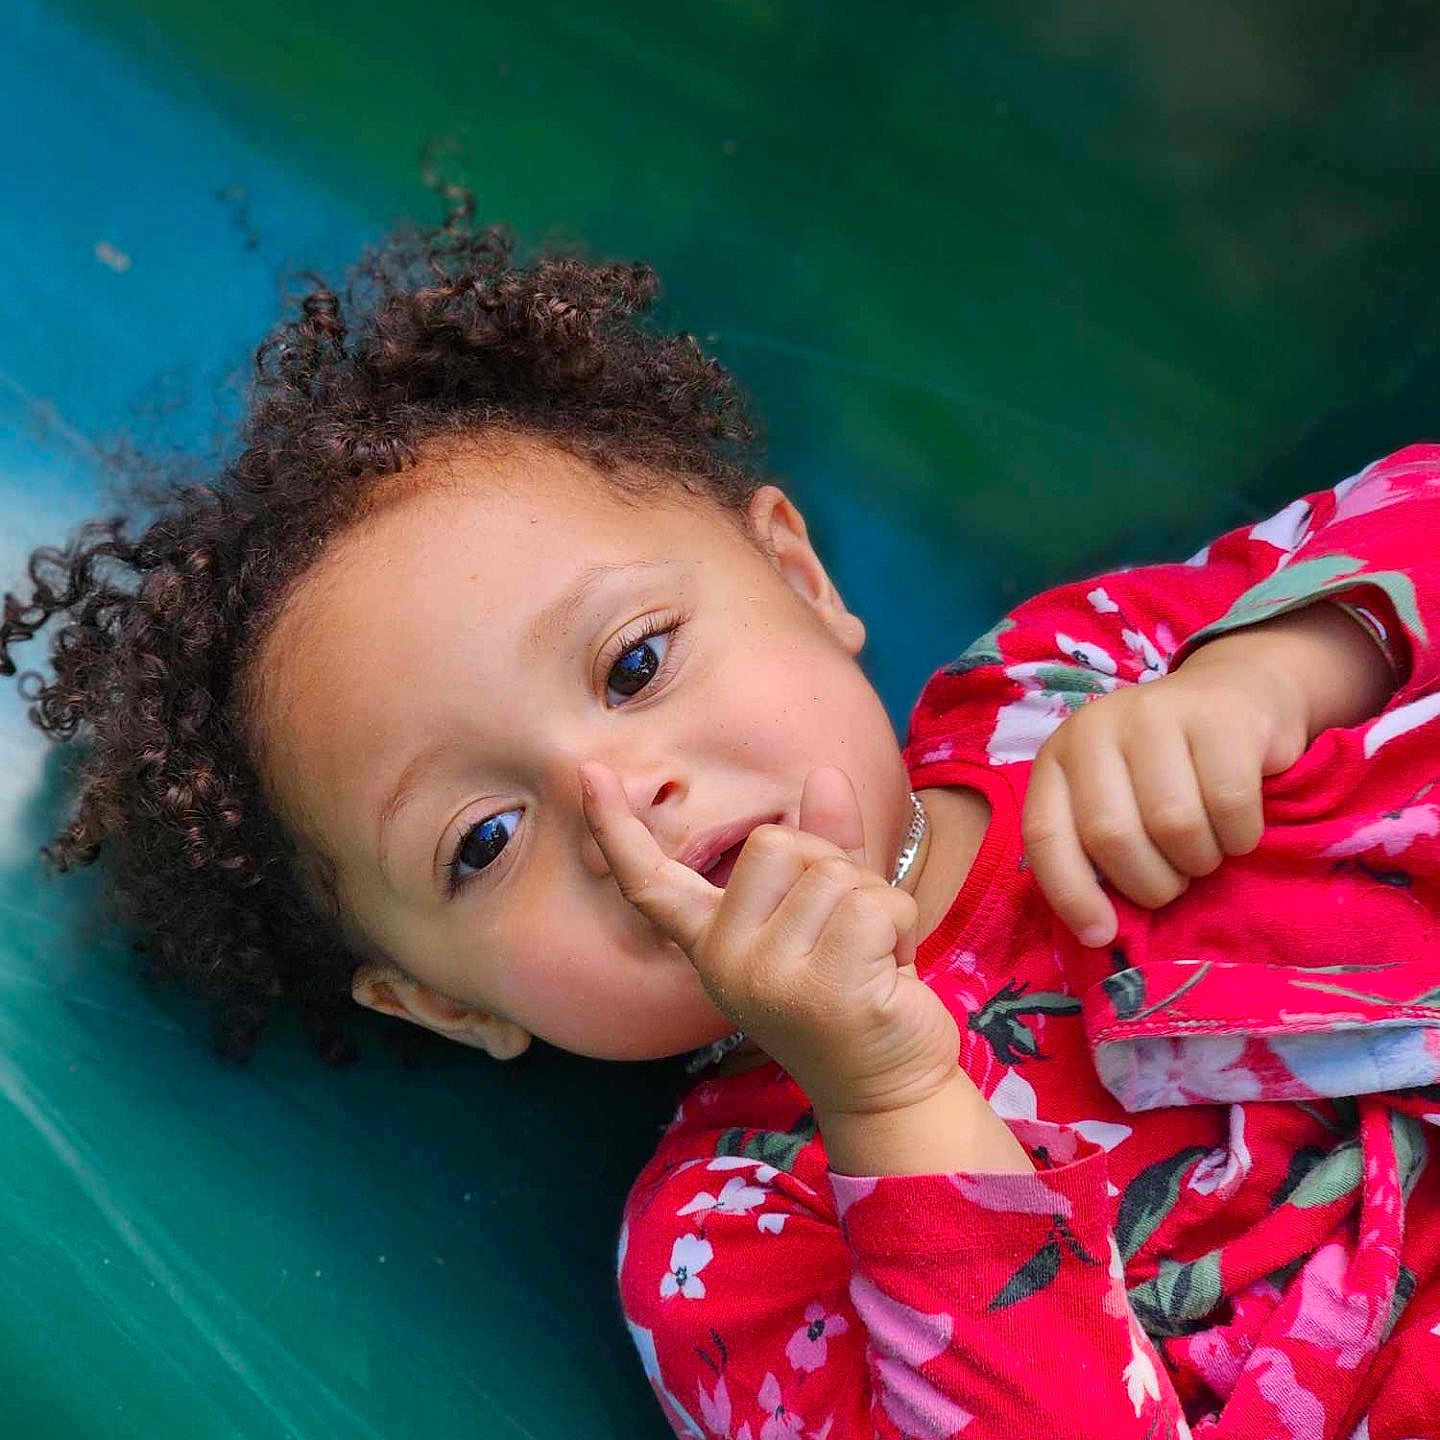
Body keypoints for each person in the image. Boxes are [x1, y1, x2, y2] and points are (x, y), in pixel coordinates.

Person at [3, 204, 1437, 1438]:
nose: (616, 799)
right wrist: (891, 1099)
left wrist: (1282, 673)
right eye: (483, 841)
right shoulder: (725, 1245)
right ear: (445, 1002)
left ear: (800, 579)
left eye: (635, 665)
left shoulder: (1067, 683)